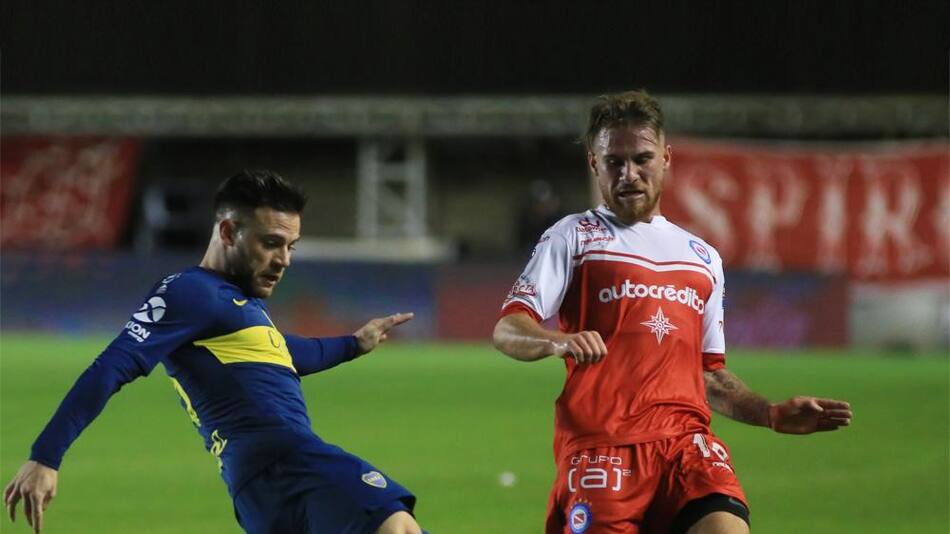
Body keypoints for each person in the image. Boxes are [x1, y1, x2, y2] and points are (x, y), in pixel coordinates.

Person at [491, 90, 853, 534]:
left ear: (666, 158)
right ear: (594, 164)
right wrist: (558, 340)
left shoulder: (702, 257)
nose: (629, 174)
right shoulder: (574, 237)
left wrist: (771, 414)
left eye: (642, 159)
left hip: (687, 447)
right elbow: (509, 328)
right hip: (604, 448)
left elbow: (711, 374)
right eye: (614, 162)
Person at [4, 170, 424, 534]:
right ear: (227, 231)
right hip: (288, 463)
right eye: (272, 243)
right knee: (396, 525)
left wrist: (354, 343)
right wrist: (46, 455)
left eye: (291, 247)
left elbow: (285, 354)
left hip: (259, 489)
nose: (284, 260)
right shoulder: (191, 292)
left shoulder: (235, 303)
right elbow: (114, 364)